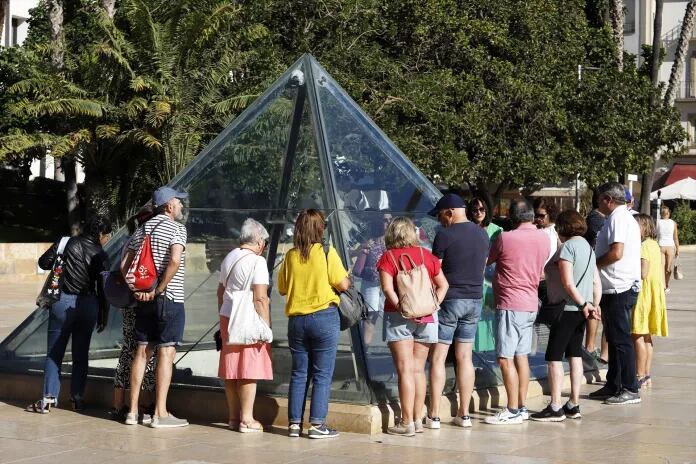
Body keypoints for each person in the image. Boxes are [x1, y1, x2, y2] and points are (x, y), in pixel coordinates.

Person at [27, 214, 112, 413]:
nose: (107, 238)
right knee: (81, 354)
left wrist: (60, 260)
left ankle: (47, 400)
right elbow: (103, 288)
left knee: (54, 352)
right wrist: (103, 314)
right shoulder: (101, 255)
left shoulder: (65, 243)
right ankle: (77, 399)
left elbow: (43, 263)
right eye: (106, 235)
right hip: (88, 304)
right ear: (99, 234)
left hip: (62, 302)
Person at [278, 209, 350, 439]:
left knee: (299, 373)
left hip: (296, 321)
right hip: (323, 317)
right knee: (322, 373)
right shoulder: (327, 253)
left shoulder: (290, 256)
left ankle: (294, 424)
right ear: (320, 229)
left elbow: (282, 288)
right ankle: (317, 425)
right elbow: (343, 285)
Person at [122, 186, 189, 427]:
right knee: (166, 352)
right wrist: (157, 289)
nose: (181, 206)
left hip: (143, 301)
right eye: (179, 202)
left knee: (141, 352)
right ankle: (160, 413)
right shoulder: (177, 229)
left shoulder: (143, 229)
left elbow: (124, 264)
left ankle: (132, 411)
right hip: (168, 298)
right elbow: (174, 260)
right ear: (169, 205)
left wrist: (137, 290)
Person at [377, 217, 449, 436]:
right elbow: (443, 285)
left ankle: (405, 422)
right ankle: (417, 419)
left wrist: (402, 308)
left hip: (399, 317)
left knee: (404, 370)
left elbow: (388, 289)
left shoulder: (387, 258)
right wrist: (432, 305)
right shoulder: (427, 256)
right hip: (427, 318)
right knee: (418, 369)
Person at [531, 211, 602, 422]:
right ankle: (573, 403)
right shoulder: (588, 248)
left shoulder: (568, 248)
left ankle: (555, 406)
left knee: (553, 358)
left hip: (567, 309)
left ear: (562, 227)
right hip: (582, 311)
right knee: (575, 356)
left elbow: (568, 283)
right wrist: (593, 305)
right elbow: (596, 281)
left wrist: (582, 304)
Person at [426, 194, 488, 429]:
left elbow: (435, 271)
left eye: (441, 215)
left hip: (450, 300)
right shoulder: (482, 233)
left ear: (450, 212)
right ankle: (464, 414)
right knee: (465, 357)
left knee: (439, 357)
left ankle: (433, 415)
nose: (440, 221)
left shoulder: (445, 235)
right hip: (474, 299)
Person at [485, 199, 548, 425]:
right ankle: (521, 406)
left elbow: (487, 260)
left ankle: (511, 409)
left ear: (512, 217)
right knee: (522, 357)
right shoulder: (543, 237)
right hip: (531, 302)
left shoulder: (506, 238)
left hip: (510, 303)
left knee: (505, 358)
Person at [589, 181, 642, 405]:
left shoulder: (619, 218)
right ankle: (614, 383)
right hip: (615, 287)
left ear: (609, 200)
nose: (598, 203)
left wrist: (594, 265)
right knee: (613, 337)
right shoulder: (618, 217)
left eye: (600, 199)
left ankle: (629, 387)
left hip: (619, 287)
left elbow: (616, 253)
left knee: (620, 340)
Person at [217, 218, 272, 433]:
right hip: (249, 319)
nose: (264, 248)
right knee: (249, 369)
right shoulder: (257, 262)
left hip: (227, 317)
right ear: (258, 241)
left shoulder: (229, 257)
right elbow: (260, 297)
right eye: (265, 244)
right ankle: (247, 419)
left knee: (231, 369)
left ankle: (233, 417)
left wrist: (224, 314)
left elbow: (220, 292)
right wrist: (265, 326)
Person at [110, 206, 157, 421]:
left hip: (129, 303)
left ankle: (119, 402)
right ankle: (144, 404)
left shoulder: (130, 239)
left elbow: (122, 267)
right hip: (145, 301)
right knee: (146, 352)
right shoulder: (150, 240)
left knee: (127, 351)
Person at [631, 214, 668, 388]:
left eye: (636, 226)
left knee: (637, 334)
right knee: (647, 336)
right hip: (655, 294)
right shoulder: (655, 246)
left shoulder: (644, 246)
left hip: (643, 294)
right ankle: (646, 375)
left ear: (644, 227)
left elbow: (643, 273)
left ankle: (639, 374)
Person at [468, 196, 502, 353]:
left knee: (488, 318)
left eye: (481, 209)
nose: (478, 212)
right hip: (472, 278)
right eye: (474, 210)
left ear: (487, 210)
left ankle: (488, 354)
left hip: (489, 280)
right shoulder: (467, 228)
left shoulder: (497, 231)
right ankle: (475, 355)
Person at [355, 214, 389, 347]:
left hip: (389, 283)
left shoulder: (392, 243)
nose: (388, 222)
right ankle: (365, 347)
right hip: (372, 284)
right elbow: (357, 270)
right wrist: (363, 251)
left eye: (389, 220)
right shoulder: (369, 243)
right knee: (371, 316)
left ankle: (394, 346)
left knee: (390, 316)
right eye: (385, 220)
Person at [583, 191, 608, 364]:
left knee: (601, 310)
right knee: (595, 307)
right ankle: (590, 348)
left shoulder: (603, 219)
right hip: (596, 269)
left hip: (600, 270)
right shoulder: (596, 219)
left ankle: (599, 352)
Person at [656, 205, 680, 293]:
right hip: (670, 246)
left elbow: (655, 236)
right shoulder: (673, 223)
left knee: (661, 268)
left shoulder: (657, 222)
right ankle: (666, 285)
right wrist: (678, 249)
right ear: (669, 213)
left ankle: (663, 286)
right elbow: (675, 238)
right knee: (668, 268)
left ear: (661, 213)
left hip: (660, 246)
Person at [533, 197, 560, 261]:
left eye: (542, 216)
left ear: (550, 213)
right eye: (536, 215)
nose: (538, 219)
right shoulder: (533, 229)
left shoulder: (556, 231)